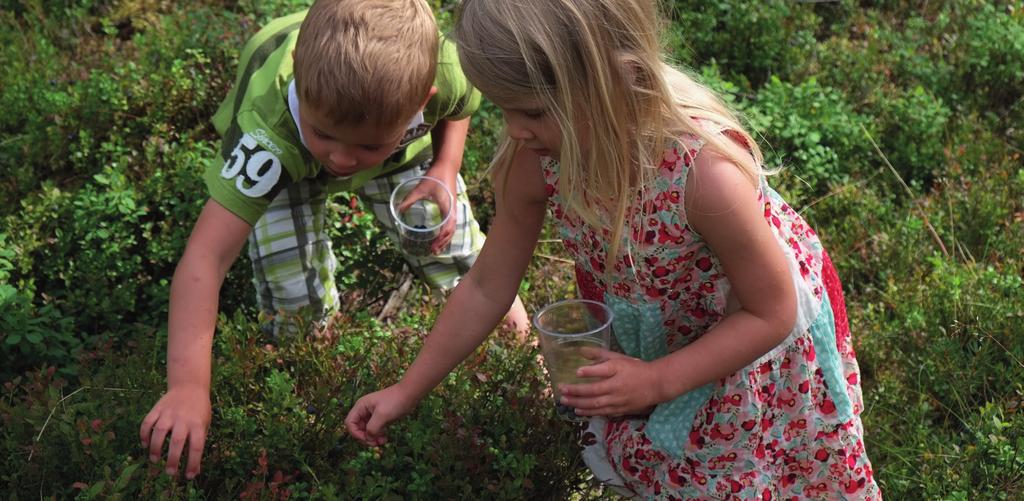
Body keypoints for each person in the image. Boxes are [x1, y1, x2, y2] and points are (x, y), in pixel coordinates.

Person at [344, 0, 881, 498]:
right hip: (664, 327)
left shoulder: (705, 177)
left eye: (530, 110)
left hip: (746, 338)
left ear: (610, 80)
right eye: (503, 108)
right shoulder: (537, 159)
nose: (514, 130)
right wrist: (407, 389)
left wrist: (656, 380)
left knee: (751, 469)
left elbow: (772, 310)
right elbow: (486, 285)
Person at [139, 0, 529, 480]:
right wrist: (188, 387)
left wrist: (445, 167)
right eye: (326, 136)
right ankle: (315, 387)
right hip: (291, 165)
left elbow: (459, 105)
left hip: (398, 151)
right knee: (294, 309)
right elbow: (205, 257)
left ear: (421, 100)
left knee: (449, 235)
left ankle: (521, 351)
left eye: (363, 145)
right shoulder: (268, 136)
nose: (342, 160)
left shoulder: (445, 70)